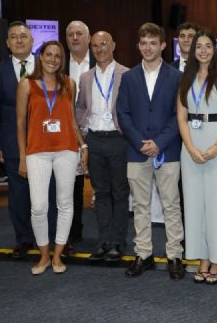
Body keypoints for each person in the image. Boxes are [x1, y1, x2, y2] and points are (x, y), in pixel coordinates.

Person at [117, 22, 185, 280]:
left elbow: (179, 115)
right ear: (138, 46)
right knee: (140, 205)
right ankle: (143, 254)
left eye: (153, 43)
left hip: (167, 150)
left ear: (164, 46)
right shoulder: (129, 77)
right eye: (143, 43)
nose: (148, 47)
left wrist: (159, 143)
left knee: (171, 205)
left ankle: (174, 255)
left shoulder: (177, 77)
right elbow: (122, 113)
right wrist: (140, 142)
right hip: (136, 152)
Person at [16, 40, 88, 275]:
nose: (53, 59)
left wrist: (82, 145)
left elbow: (71, 120)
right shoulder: (26, 85)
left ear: (62, 60)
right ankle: (43, 255)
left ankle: (57, 254)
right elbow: (20, 124)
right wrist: (22, 157)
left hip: (66, 149)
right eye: (49, 54)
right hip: (37, 152)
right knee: (38, 206)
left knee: (65, 204)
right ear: (40, 56)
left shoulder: (70, 84)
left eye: (58, 56)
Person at [177, 30, 217, 284]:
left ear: (215, 49)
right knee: (195, 205)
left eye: (208, 46)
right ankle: (202, 257)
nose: (203, 50)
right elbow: (181, 116)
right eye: (198, 46)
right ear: (193, 51)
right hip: (191, 144)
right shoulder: (186, 78)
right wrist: (190, 147)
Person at [75, 31, 130, 262]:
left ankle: (118, 241)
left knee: (119, 192)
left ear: (114, 45)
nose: (100, 49)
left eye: (104, 44)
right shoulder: (86, 77)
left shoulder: (127, 74)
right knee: (101, 193)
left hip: (118, 139)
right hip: (95, 140)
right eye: (95, 45)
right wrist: (82, 129)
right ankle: (103, 240)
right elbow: (79, 106)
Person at [0, 21, 37, 259]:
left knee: (47, 192)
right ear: (7, 43)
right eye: (14, 37)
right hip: (11, 142)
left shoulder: (47, 65)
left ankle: (47, 237)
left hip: (44, 141)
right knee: (18, 193)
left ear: (32, 40)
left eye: (24, 36)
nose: (19, 40)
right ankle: (24, 238)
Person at [63, 20, 96, 247]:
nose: (75, 38)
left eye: (79, 34)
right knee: (70, 185)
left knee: (103, 185)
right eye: (71, 34)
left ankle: (108, 235)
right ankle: (73, 231)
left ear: (88, 37)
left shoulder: (102, 61)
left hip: (97, 130)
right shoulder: (56, 62)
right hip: (66, 131)